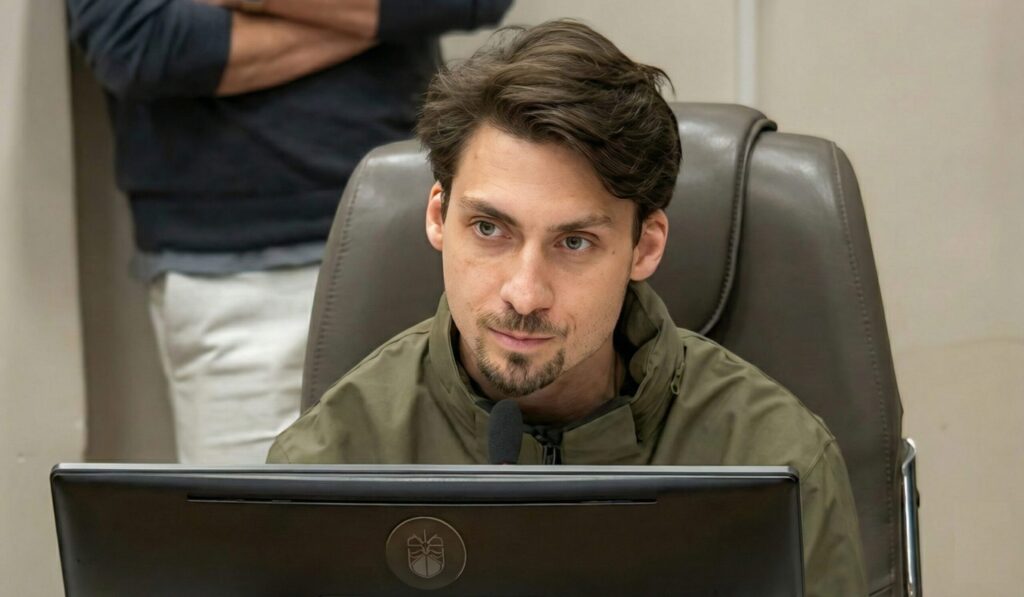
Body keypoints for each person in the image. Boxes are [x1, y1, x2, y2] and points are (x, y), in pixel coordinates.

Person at [267, 19, 868, 596]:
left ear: (645, 246)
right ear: (438, 218)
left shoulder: (775, 462)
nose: (525, 294)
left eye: (574, 242)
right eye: (489, 229)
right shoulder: (325, 464)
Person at [66, 0, 512, 464]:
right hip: (234, 274)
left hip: (416, 242)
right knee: (254, 508)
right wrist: (390, 21)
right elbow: (134, 41)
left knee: (444, 503)